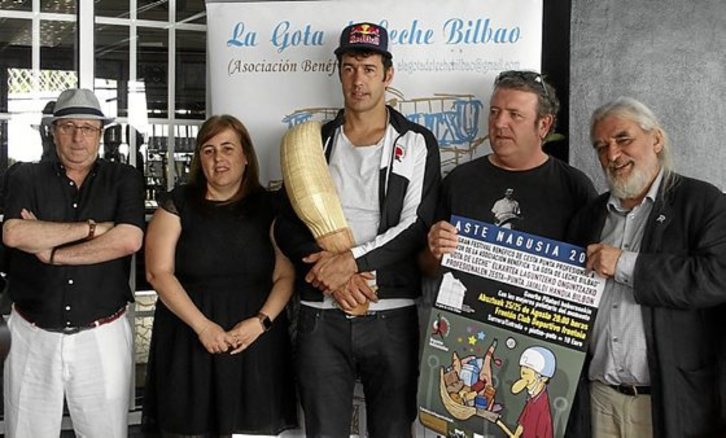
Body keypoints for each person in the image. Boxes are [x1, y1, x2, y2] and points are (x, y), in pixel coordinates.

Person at [275, 22, 441, 437]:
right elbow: (287, 225)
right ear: (339, 73)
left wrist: (350, 261)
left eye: (368, 69)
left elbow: (416, 225)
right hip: (321, 315)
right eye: (349, 68)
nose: (358, 80)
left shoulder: (416, 142)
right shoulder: (314, 141)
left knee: (392, 430)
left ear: (388, 74)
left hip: (390, 315)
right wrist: (333, 277)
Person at [564, 97, 726, 437]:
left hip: (669, 403)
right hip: (598, 400)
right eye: (601, 146)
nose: (612, 155)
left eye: (623, 139)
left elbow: (717, 277)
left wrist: (625, 265)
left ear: (656, 139)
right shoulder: (588, 217)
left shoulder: (703, 202)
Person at [141, 115, 297, 436]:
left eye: (228, 148)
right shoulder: (177, 204)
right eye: (208, 150)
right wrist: (203, 327)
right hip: (189, 338)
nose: (218, 158)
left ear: (245, 156)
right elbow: (158, 273)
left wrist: (261, 323)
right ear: (200, 159)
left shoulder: (271, 207)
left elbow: (285, 276)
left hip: (254, 342)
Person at [1, 88, 144, 437]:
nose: (78, 137)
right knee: (26, 432)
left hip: (102, 334)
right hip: (32, 334)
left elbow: (128, 240)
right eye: (68, 127)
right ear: (53, 131)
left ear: (100, 133)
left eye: (88, 128)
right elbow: (15, 234)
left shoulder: (123, 178)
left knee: (105, 432)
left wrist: (51, 251)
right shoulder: (24, 176)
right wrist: (94, 229)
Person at [426, 70, 596, 266]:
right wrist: (434, 251)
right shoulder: (459, 180)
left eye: (515, 115)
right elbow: (428, 267)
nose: (499, 123)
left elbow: (592, 268)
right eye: (494, 112)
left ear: (543, 125)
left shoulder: (574, 188)